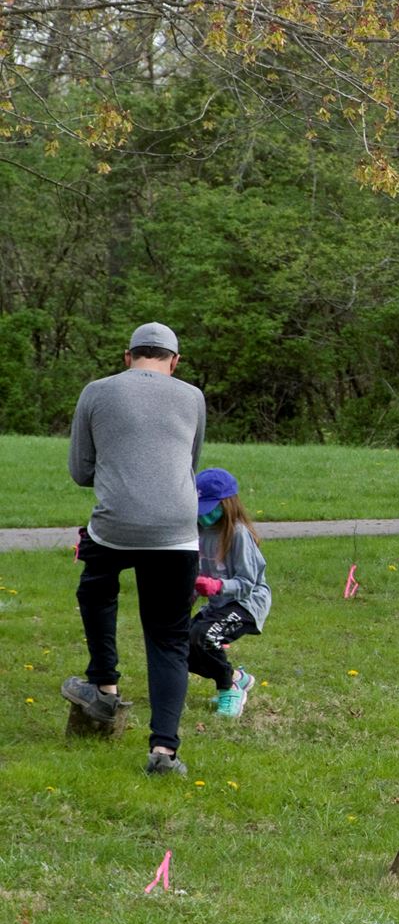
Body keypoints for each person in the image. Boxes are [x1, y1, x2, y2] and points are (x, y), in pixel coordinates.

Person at [59, 322, 207, 777]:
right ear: (174, 362)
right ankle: (165, 752)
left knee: (97, 590)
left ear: (128, 356)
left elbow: (80, 471)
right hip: (178, 529)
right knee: (168, 637)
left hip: (115, 522)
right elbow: (190, 464)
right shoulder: (193, 397)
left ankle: (103, 685)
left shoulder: (97, 392)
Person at [187, 468, 268, 718]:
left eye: (210, 507)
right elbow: (197, 575)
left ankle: (229, 689)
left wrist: (218, 586)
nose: (204, 515)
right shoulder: (199, 533)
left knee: (204, 636)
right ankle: (236, 677)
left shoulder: (238, 534)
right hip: (218, 604)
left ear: (227, 504)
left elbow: (247, 582)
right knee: (181, 645)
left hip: (245, 602)